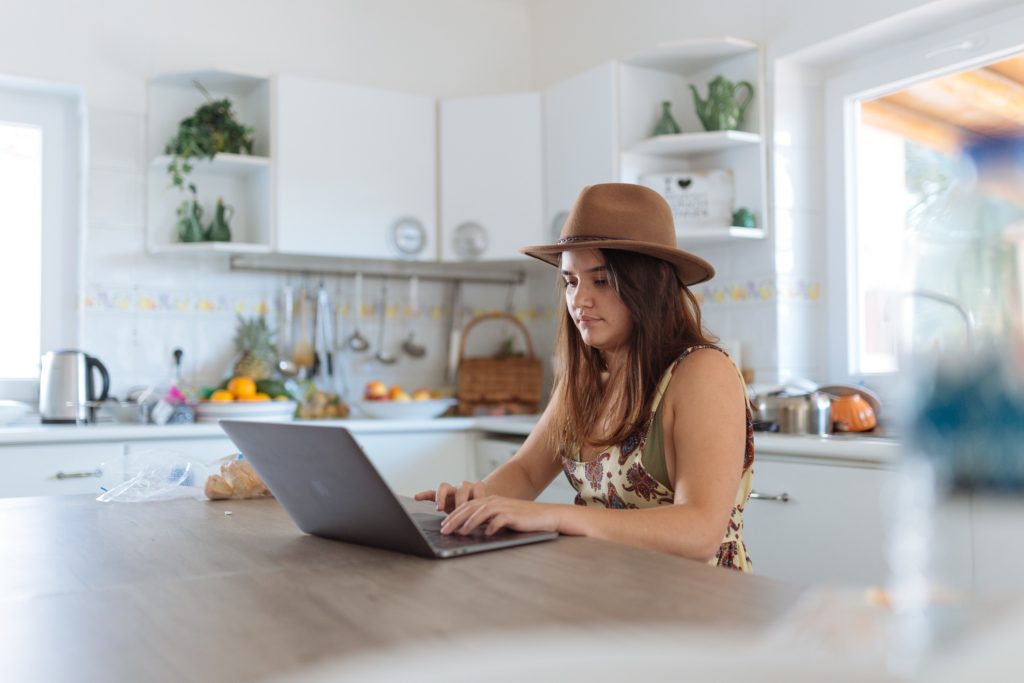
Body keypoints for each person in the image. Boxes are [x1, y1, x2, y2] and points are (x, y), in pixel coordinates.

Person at [415, 183, 754, 571]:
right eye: (571, 281)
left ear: (651, 284)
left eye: (601, 280)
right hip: (606, 592)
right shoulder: (587, 380)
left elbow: (700, 531)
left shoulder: (702, 372)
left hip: (698, 609)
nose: (578, 300)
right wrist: (476, 501)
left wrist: (556, 517)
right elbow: (525, 471)